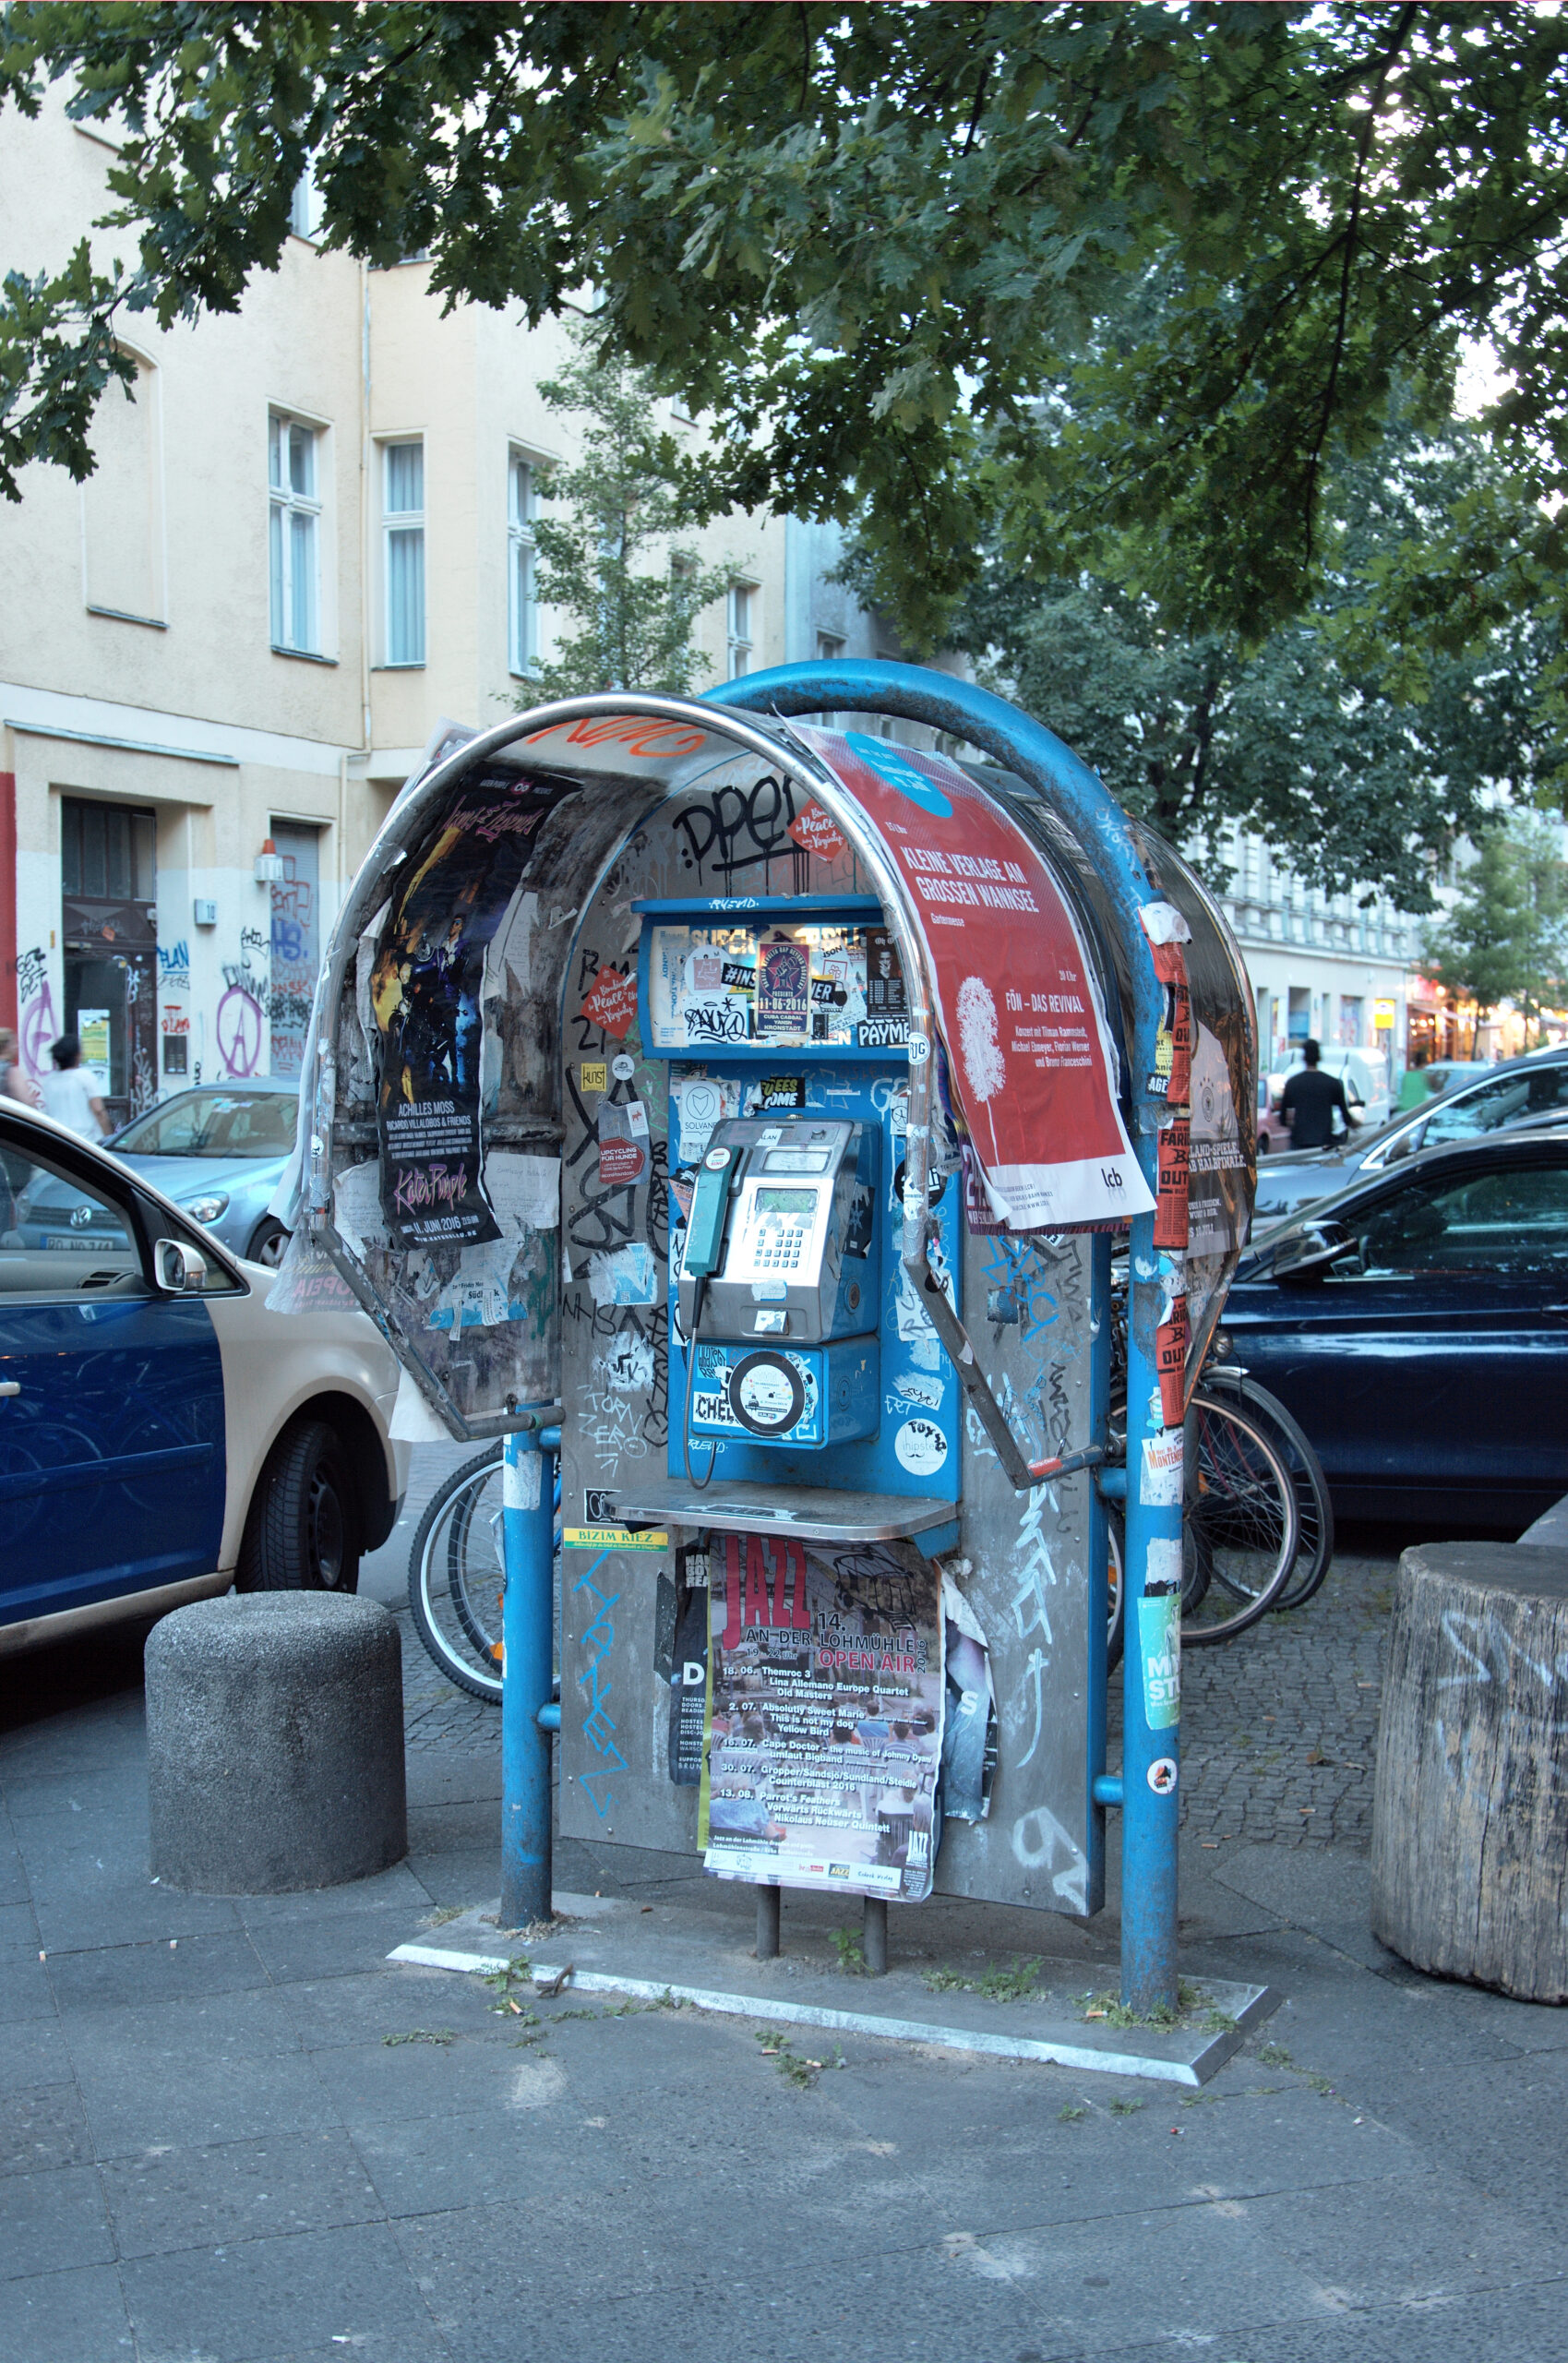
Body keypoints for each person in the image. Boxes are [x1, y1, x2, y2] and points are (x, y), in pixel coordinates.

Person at [1279, 1038, 1358, 1151]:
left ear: (1304, 1057)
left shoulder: (1293, 1084)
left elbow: (1283, 1119)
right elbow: (1346, 1118)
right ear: (1319, 1057)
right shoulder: (1333, 1084)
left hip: (1298, 1145)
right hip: (1324, 1145)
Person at [40, 1034, 110, 1138]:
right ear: (77, 1055)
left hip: (58, 1138)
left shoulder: (49, 1080)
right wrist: (108, 1136)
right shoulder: (85, 1077)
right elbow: (99, 1111)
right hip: (86, 1141)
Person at [0, 1026, 40, 1109]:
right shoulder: (11, 1071)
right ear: (6, 1047)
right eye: (13, 1044)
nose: (16, 1047)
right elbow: (27, 1102)